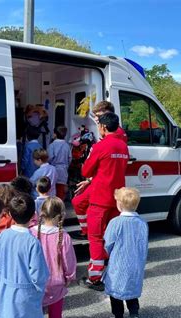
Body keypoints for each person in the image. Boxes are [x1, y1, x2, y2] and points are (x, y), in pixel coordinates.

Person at [0, 194, 50, 318]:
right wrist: (40, 289)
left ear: (9, 214)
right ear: (33, 215)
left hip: (7, 289)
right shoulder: (32, 242)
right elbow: (38, 273)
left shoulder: (3, 235)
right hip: (27, 291)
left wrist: (0, 284)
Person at [78, 112, 129, 290]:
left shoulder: (101, 146)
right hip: (117, 200)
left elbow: (86, 171)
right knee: (112, 238)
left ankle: (95, 278)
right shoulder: (123, 146)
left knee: (95, 238)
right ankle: (110, 271)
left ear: (103, 127)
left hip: (100, 200)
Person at [72, 101, 128, 239]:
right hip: (100, 178)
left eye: (98, 116)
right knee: (77, 202)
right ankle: (87, 231)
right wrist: (90, 180)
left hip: (104, 182)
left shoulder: (116, 134)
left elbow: (106, 161)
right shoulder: (113, 134)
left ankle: (91, 232)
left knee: (88, 209)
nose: (96, 120)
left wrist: (89, 178)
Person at [30, 197, 77, 318]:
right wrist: (69, 276)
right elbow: (69, 260)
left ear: (41, 213)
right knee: (56, 309)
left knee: (35, 310)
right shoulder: (64, 236)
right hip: (56, 281)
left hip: (35, 280)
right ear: (60, 216)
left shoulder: (31, 232)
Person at [103, 188, 148, 318]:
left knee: (116, 295)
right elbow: (144, 245)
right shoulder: (142, 223)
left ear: (119, 205)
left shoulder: (115, 223)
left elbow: (108, 243)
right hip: (135, 265)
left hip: (118, 265)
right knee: (132, 292)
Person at [48, 126, 72, 200]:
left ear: (55, 134)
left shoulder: (52, 145)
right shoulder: (67, 145)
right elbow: (70, 158)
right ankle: (60, 206)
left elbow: (49, 158)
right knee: (61, 190)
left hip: (53, 169)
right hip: (63, 169)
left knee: (51, 189)